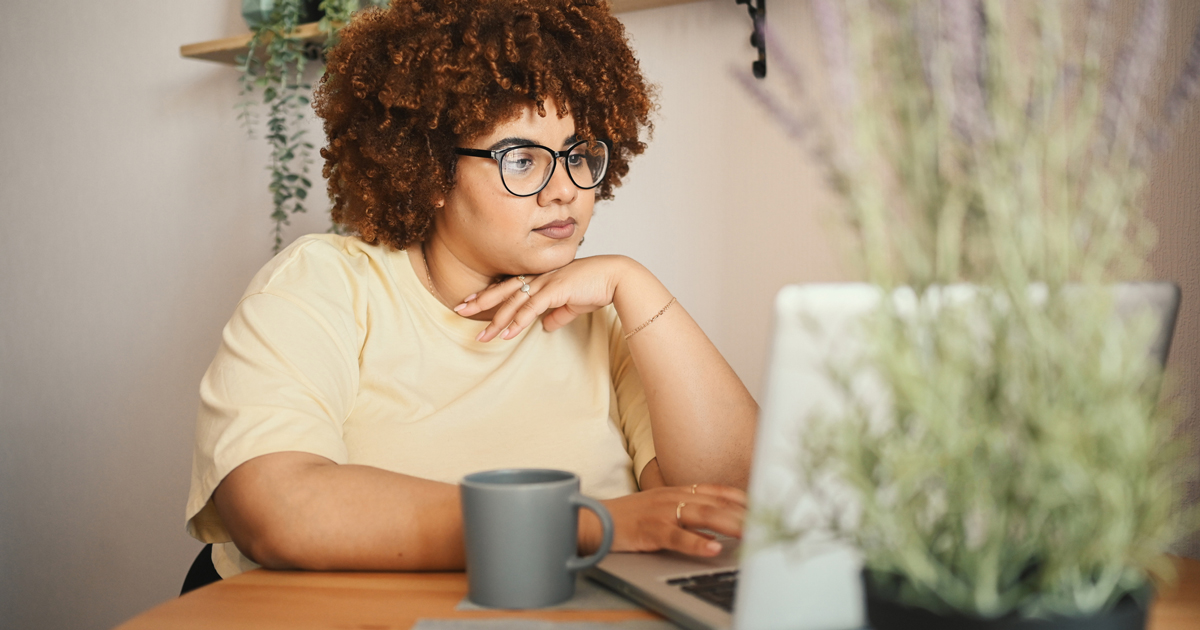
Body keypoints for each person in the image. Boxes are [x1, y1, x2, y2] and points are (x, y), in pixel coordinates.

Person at [183, 0, 758, 588]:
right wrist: (584, 524)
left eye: (578, 153)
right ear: (429, 169)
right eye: (521, 158)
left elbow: (728, 505)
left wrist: (635, 284)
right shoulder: (323, 285)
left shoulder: (604, 314)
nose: (564, 190)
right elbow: (276, 506)